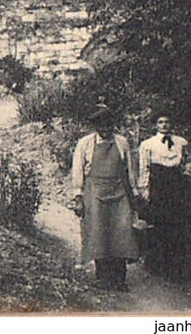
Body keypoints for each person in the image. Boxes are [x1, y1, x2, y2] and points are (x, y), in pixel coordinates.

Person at [71, 104, 140, 290]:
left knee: (122, 233)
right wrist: (78, 197)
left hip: (119, 192)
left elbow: (130, 169)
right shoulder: (85, 143)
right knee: (99, 233)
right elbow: (78, 171)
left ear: (113, 125)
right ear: (96, 127)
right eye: (102, 126)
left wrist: (135, 192)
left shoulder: (122, 142)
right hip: (94, 192)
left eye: (109, 125)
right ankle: (103, 277)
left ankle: (120, 279)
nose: (106, 129)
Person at [138, 114, 191, 279]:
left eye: (167, 122)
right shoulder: (148, 144)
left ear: (171, 124)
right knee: (159, 224)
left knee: (177, 225)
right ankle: (156, 265)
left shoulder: (181, 142)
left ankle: (175, 268)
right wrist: (145, 189)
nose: (164, 125)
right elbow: (144, 168)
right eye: (160, 122)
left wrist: (187, 174)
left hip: (177, 187)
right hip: (158, 188)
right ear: (155, 125)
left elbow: (186, 163)